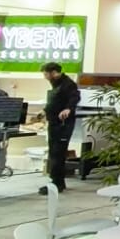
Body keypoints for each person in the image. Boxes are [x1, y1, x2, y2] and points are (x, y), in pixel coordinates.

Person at [40, 63, 80, 194]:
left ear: (53, 72)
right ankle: (57, 181)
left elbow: (75, 97)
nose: (45, 77)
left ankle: (57, 183)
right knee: (53, 152)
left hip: (63, 124)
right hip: (53, 122)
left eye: (46, 74)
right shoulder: (56, 84)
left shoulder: (68, 84)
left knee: (58, 153)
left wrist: (68, 108)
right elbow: (54, 101)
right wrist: (44, 111)